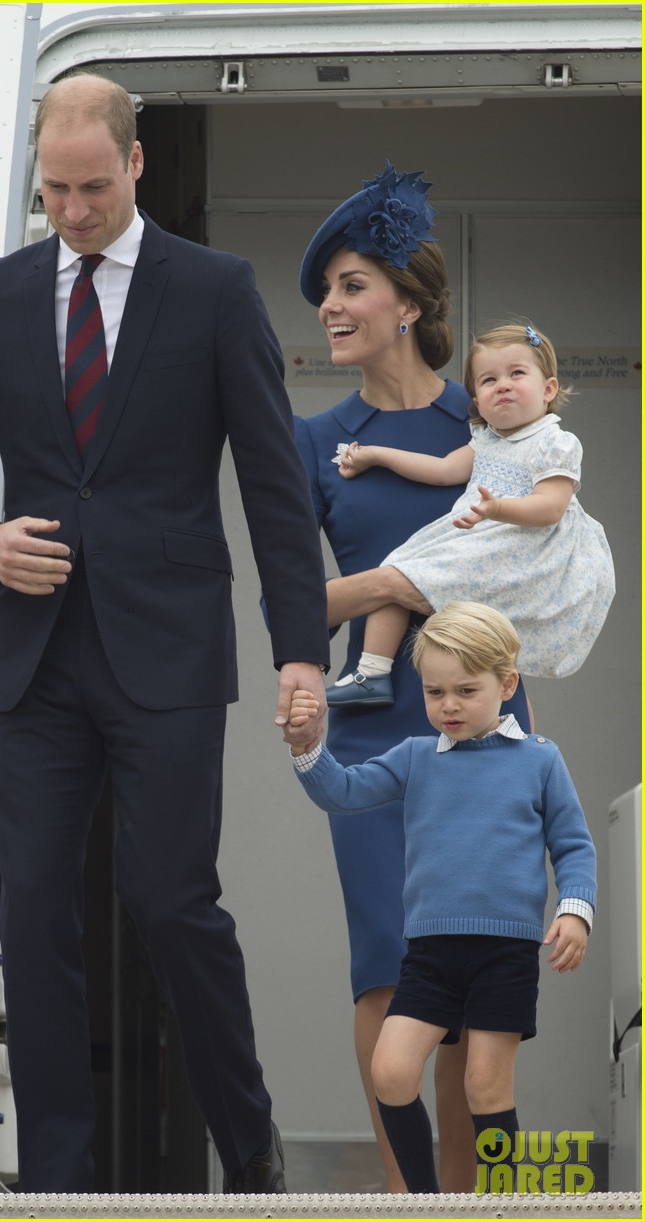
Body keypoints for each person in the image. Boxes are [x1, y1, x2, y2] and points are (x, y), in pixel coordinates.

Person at [0, 72, 330, 1193]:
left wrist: (300, 652)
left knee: (168, 898)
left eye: (94, 187)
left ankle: (250, 1148)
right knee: (35, 902)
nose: (76, 211)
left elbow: (277, 487)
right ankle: (60, 1179)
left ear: (135, 165)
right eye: (55, 190)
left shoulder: (215, 289)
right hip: (36, 656)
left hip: (169, 650)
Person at [287, 161, 531, 1191]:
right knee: (388, 959)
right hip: (372, 729)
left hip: (487, 733)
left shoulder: (490, 433)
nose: (331, 308)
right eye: (328, 293)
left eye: (350, 287)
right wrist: (398, 581)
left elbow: (533, 566)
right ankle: (406, 1205)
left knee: (474, 972)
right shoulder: (316, 442)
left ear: (409, 305)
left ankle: (478, 1205)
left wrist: (403, 581)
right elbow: (291, 602)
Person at [284, 601, 597, 1193]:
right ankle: (424, 1204)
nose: (448, 705)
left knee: (485, 1086)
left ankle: (499, 1202)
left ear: (507, 684)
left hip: (504, 955)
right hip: (429, 953)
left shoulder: (540, 760)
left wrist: (575, 912)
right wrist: (308, 746)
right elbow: (344, 793)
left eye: (465, 690)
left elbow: (574, 847)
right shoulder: (414, 757)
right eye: (434, 692)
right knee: (391, 1072)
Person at [325, 322, 614, 707]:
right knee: (401, 565)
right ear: (477, 401)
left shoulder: (554, 443)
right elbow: (442, 469)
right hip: (476, 539)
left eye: (517, 373)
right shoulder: (486, 440)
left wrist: (498, 508)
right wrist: (377, 455)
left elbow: (550, 508)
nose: (504, 385)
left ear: (548, 390)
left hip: (519, 550)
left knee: (411, 585)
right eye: (489, 380)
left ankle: (472, 699)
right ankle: (373, 672)